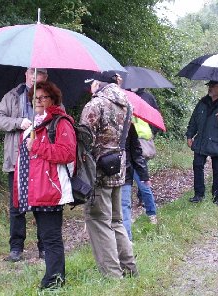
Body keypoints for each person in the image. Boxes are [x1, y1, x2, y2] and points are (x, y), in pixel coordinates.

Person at [80, 72, 138, 278]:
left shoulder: (95, 105)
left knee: (98, 220)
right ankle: (129, 269)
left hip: (98, 172)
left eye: (92, 83)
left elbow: (83, 141)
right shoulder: (126, 103)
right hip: (119, 169)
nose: (90, 88)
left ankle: (113, 275)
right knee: (116, 221)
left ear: (99, 82)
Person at [0, 68, 48, 262]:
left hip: (42, 160)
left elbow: (60, 119)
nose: (33, 76)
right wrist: (18, 122)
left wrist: (44, 123)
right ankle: (16, 248)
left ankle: (44, 247)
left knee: (42, 204)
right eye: (31, 72)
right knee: (16, 205)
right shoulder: (12, 96)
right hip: (16, 160)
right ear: (25, 75)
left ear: (45, 77)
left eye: (38, 73)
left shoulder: (50, 97)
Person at [25, 81, 76, 289]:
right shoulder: (37, 123)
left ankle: (55, 281)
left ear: (53, 100)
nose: (38, 101)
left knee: (51, 237)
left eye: (43, 97)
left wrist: (36, 145)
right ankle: (52, 277)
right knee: (46, 236)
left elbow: (67, 153)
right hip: (38, 187)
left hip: (51, 188)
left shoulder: (60, 122)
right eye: (35, 98)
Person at [121, 123, 155, 241]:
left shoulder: (129, 125)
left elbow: (136, 152)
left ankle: (126, 242)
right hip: (120, 171)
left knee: (123, 206)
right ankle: (125, 242)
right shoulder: (127, 123)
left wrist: (144, 176)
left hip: (125, 170)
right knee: (123, 206)